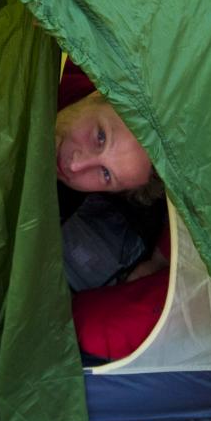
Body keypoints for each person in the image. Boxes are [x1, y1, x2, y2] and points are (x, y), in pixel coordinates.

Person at [54, 60, 169, 291]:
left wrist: (160, 258)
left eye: (106, 175)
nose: (76, 165)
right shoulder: (54, 58)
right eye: (100, 137)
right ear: (99, 92)